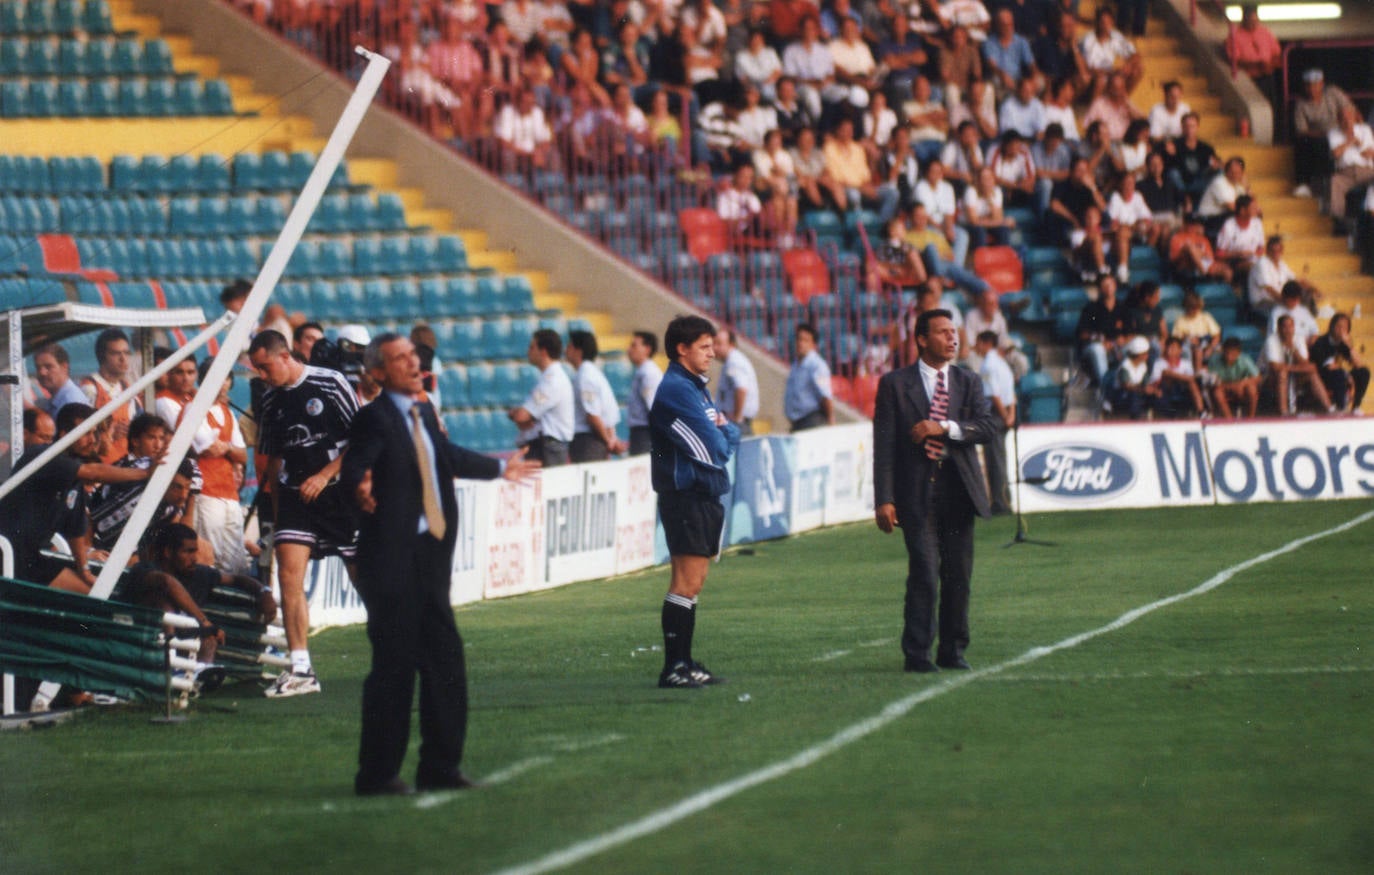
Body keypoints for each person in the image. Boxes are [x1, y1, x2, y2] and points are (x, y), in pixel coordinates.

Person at [340, 333, 540, 795]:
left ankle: (440, 766)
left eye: (414, 355)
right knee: (394, 666)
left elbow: (444, 457)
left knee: (445, 660)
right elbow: (355, 468)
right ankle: (377, 774)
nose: (413, 364)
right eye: (400, 359)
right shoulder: (374, 418)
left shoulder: (423, 411)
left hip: (429, 557)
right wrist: (360, 489)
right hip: (390, 561)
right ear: (378, 372)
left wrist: (498, 468)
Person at [873, 308, 999, 673]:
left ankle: (953, 650)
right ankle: (917, 653)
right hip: (916, 494)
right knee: (925, 572)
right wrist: (884, 498)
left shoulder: (968, 381)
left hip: (960, 491)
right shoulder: (894, 384)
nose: (952, 339)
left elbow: (987, 427)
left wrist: (942, 427)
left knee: (959, 574)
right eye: (943, 332)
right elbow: (884, 445)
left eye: (954, 332)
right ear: (922, 339)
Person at [249, 329, 361, 698]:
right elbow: (273, 458)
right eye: (257, 370)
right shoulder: (270, 402)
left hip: (340, 496)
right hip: (295, 497)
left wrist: (327, 474)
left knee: (367, 580)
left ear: (285, 356)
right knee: (289, 575)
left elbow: (363, 439)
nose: (262, 377)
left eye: (266, 368)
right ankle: (301, 668)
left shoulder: (331, 384)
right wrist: (279, 515)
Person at [649, 315, 740, 689]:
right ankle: (674, 667)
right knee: (686, 581)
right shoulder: (676, 390)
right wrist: (724, 433)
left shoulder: (694, 387)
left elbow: (728, 431)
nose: (712, 353)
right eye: (704, 347)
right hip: (686, 496)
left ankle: (684, 662)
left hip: (702, 495)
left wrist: (725, 431)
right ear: (682, 349)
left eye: (712, 345)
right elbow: (714, 450)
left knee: (694, 582)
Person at [0, 404, 154, 594]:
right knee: (95, 599)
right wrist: (145, 473)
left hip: (33, 558)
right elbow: (94, 472)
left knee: (101, 591)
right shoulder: (42, 456)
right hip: (10, 556)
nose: (92, 440)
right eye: (85, 433)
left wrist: (85, 571)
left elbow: (75, 533)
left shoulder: (74, 481)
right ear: (65, 434)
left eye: (94, 433)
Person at [125, 523, 275, 667]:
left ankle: (202, 673)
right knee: (164, 604)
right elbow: (167, 582)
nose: (194, 558)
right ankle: (169, 666)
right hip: (142, 642)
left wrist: (264, 592)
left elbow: (237, 579)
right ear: (168, 552)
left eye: (195, 551)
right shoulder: (144, 569)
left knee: (210, 637)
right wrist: (204, 621)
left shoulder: (200, 573)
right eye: (188, 552)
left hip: (186, 642)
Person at [191, 358, 250, 573]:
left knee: (235, 558)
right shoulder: (194, 407)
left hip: (229, 492)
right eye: (217, 376)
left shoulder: (227, 412)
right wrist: (229, 449)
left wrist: (227, 449)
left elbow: (242, 455)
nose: (223, 382)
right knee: (211, 553)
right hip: (206, 489)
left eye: (226, 377)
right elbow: (209, 449)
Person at [508, 329, 575, 466]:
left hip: (548, 449)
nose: (528, 351)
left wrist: (517, 414)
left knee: (550, 486)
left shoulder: (551, 380)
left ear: (543, 352)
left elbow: (522, 416)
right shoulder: (550, 377)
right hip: (547, 447)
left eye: (532, 347)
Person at [79, 328, 140, 464]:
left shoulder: (128, 388)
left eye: (126, 353)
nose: (123, 358)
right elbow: (80, 435)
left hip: (124, 464)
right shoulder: (90, 388)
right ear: (102, 356)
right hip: (99, 467)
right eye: (116, 353)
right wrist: (109, 435)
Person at [566, 330, 626, 461]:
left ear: (578, 351)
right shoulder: (593, 373)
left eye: (569, 346)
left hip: (588, 441)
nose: (566, 350)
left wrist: (608, 441)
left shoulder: (585, 376)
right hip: (593, 438)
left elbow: (592, 415)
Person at [974, 331, 1014, 516]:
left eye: (978, 343)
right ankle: (1005, 500)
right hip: (1006, 413)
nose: (977, 348)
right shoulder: (1002, 363)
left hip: (996, 414)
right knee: (1001, 459)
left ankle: (999, 503)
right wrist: (1010, 414)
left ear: (985, 343)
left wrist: (1004, 414)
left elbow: (994, 394)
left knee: (995, 461)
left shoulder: (988, 365)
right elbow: (1010, 393)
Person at [1262, 314, 1333, 416]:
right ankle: (1284, 412)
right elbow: (1274, 367)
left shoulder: (1299, 339)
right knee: (1282, 374)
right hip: (1269, 378)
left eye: (1290, 326)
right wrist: (1294, 369)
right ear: (1278, 328)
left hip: (1292, 375)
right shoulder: (1271, 340)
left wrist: (1294, 350)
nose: (1288, 330)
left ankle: (1330, 408)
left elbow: (1308, 366)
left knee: (1312, 374)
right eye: (1284, 327)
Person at [1076, 273, 1129, 386]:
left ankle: (1128, 384)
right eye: (1104, 285)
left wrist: (1123, 339)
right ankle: (1106, 386)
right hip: (1094, 347)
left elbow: (1131, 332)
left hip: (1117, 347)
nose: (1108, 288)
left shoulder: (1123, 307)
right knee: (1098, 349)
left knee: (1136, 347)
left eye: (1110, 284)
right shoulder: (1092, 308)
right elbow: (1082, 333)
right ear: (1100, 289)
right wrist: (1101, 341)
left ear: (1115, 286)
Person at [1310, 313, 1369, 413]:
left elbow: (1359, 364)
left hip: (1340, 373)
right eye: (1339, 326)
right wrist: (1347, 376)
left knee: (1364, 372)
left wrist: (1349, 346)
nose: (1341, 330)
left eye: (1345, 327)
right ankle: (1341, 408)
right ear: (1332, 326)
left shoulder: (1343, 343)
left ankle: (1356, 407)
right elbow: (1330, 367)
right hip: (1323, 376)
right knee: (1339, 374)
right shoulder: (1321, 341)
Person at [1326, 104, 1374, 222]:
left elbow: (1370, 154)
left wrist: (1359, 145)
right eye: (1344, 119)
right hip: (1346, 173)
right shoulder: (1333, 133)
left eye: (1350, 118)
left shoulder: (1364, 130)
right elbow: (1336, 154)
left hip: (1366, 171)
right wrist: (1350, 141)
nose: (1347, 122)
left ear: (1354, 117)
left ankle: (1371, 212)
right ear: (1338, 120)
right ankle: (1339, 222)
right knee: (1334, 182)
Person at [784, 322, 834, 431]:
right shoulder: (796, 365)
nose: (800, 343)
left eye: (805, 340)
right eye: (798, 339)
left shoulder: (817, 365)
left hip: (812, 420)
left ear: (813, 345)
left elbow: (825, 395)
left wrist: (830, 420)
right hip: (797, 422)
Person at [713, 328, 759, 435]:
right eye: (714, 343)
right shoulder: (731, 361)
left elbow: (741, 389)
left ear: (731, 345)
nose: (714, 348)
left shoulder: (734, 362)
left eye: (719, 344)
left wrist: (737, 418)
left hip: (738, 424)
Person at [1147, 336, 1205, 418]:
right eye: (1168, 347)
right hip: (1165, 391)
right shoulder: (1159, 363)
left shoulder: (1186, 363)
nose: (1170, 349)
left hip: (1182, 390)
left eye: (1174, 347)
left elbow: (1191, 379)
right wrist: (1175, 376)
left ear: (1180, 350)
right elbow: (1155, 381)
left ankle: (1201, 411)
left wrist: (1179, 378)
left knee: (1192, 383)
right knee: (1167, 373)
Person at [625, 331, 663, 456]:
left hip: (645, 433)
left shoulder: (648, 373)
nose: (629, 349)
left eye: (634, 345)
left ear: (647, 349)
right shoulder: (642, 371)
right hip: (640, 432)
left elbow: (654, 408)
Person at [1207, 337, 1262, 419]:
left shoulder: (1245, 359)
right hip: (1224, 387)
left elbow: (1258, 377)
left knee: (1252, 389)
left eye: (1233, 354)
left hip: (1241, 389)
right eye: (1227, 353)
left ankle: (1251, 418)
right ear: (1223, 350)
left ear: (1239, 353)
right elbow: (1211, 381)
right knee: (1217, 392)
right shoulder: (1214, 360)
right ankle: (1229, 419)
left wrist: (1242, 384)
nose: (1229, 357)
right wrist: (1230, 386)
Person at [31, 343, 87, 417]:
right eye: (38, 368)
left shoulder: (71, 402)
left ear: (64, 367)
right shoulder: (57, 398)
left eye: (48, 367)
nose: (42, 372)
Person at [1106, 335, 1153, 419]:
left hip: (1136, 393)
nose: (1147, 355)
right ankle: (1135, 420)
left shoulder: (1143, 366)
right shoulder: (1125, 366)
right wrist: (1142, 389)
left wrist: (1152, 390)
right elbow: (1126, 385)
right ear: (1139, 354)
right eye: (1145, 353)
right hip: (1120, 395)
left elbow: (1146, 383)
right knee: (1134, 396)